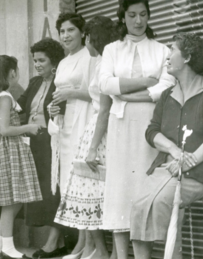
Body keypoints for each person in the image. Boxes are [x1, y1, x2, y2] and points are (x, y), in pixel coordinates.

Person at [130, 33, 203, 259]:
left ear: (187, 57)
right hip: (170, 169)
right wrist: (173, 151)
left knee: (162, 200)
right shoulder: (167, 95)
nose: (167, 57)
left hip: (201, 173)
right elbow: (152, 131)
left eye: (172, 51)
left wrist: (187, 161)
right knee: (139, 204)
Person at [98, 1, 175, 258]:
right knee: (120, 190)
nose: (139, 21)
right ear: (123, 17)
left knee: (144, 188)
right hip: (120, 126)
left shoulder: (162, 50)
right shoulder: (112, 49)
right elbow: (105, 83)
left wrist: (129, 95)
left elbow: (166, 85)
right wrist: (144, 82)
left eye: (143, 14)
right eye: (132, 15)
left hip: (150, 126)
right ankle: (121, 256)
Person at [54, 16, 119, 259]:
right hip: (90, 128)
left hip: (96, 129)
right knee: (89, 192)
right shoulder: (101, 61)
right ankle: (96, 250)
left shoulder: (103, 63)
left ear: (89, 38)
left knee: (92, 191)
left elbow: (102, 108)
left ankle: (100, 251)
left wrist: (92, 147)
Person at [0, 55, 43, 259]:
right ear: (12, 73)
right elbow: (5, 129)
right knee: (13, 199)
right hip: (9, 147)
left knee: (11, 198)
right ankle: (8, 248)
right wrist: (29, 127)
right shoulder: (5, 97)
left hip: (1, 148)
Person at [48, 12, 96, 258]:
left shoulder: (89, 55)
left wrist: (71, 94)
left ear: (82, 32)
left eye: (70, 30)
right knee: (70, 184)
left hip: (85, 120)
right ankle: (80, 243)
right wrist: (53, 108)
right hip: (66, 125)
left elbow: (95, 92)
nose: (66, 36)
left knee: (83, 182)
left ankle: (88, 245)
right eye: (62, 31)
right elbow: (59, 93)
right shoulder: (65, 61)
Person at [16, 38, 67, 258]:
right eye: (35, 60)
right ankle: (59, 241)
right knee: (42, 193)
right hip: (34, 142)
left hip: (52, 142)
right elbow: (20, 105)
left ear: (53, 61)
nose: (37, 64)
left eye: (41, 60)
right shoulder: (35, 82)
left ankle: (53, 242)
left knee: (53, 192)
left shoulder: (60, 82)